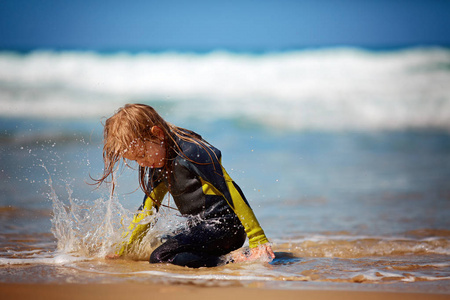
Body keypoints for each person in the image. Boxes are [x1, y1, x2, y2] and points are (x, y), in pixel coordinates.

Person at [95, 103, 275, 268]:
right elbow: (147, 211)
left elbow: (230, 189)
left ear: (157, 133)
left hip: (224, 228)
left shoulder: (191, 152)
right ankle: (225, 256)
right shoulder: (158, 163)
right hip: (203, 229)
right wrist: (125, 250)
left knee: (159, 257)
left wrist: (257, 238)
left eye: (142, 154)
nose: (142, 163)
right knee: (159, 242)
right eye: (136, 160)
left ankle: (229, 260)